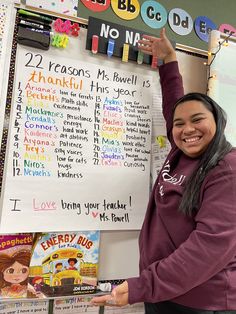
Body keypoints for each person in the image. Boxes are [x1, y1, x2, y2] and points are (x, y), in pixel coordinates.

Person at [91, 28, 236, 313]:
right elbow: (174, 106)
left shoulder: (226, 168)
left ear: (218, 122)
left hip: (203, 301)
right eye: (180, 124)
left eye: (198, 120)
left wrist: (143, 286)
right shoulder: (180, 150)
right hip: (165, 290)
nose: (187, 129)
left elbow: (208, 249)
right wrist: (169, 59)